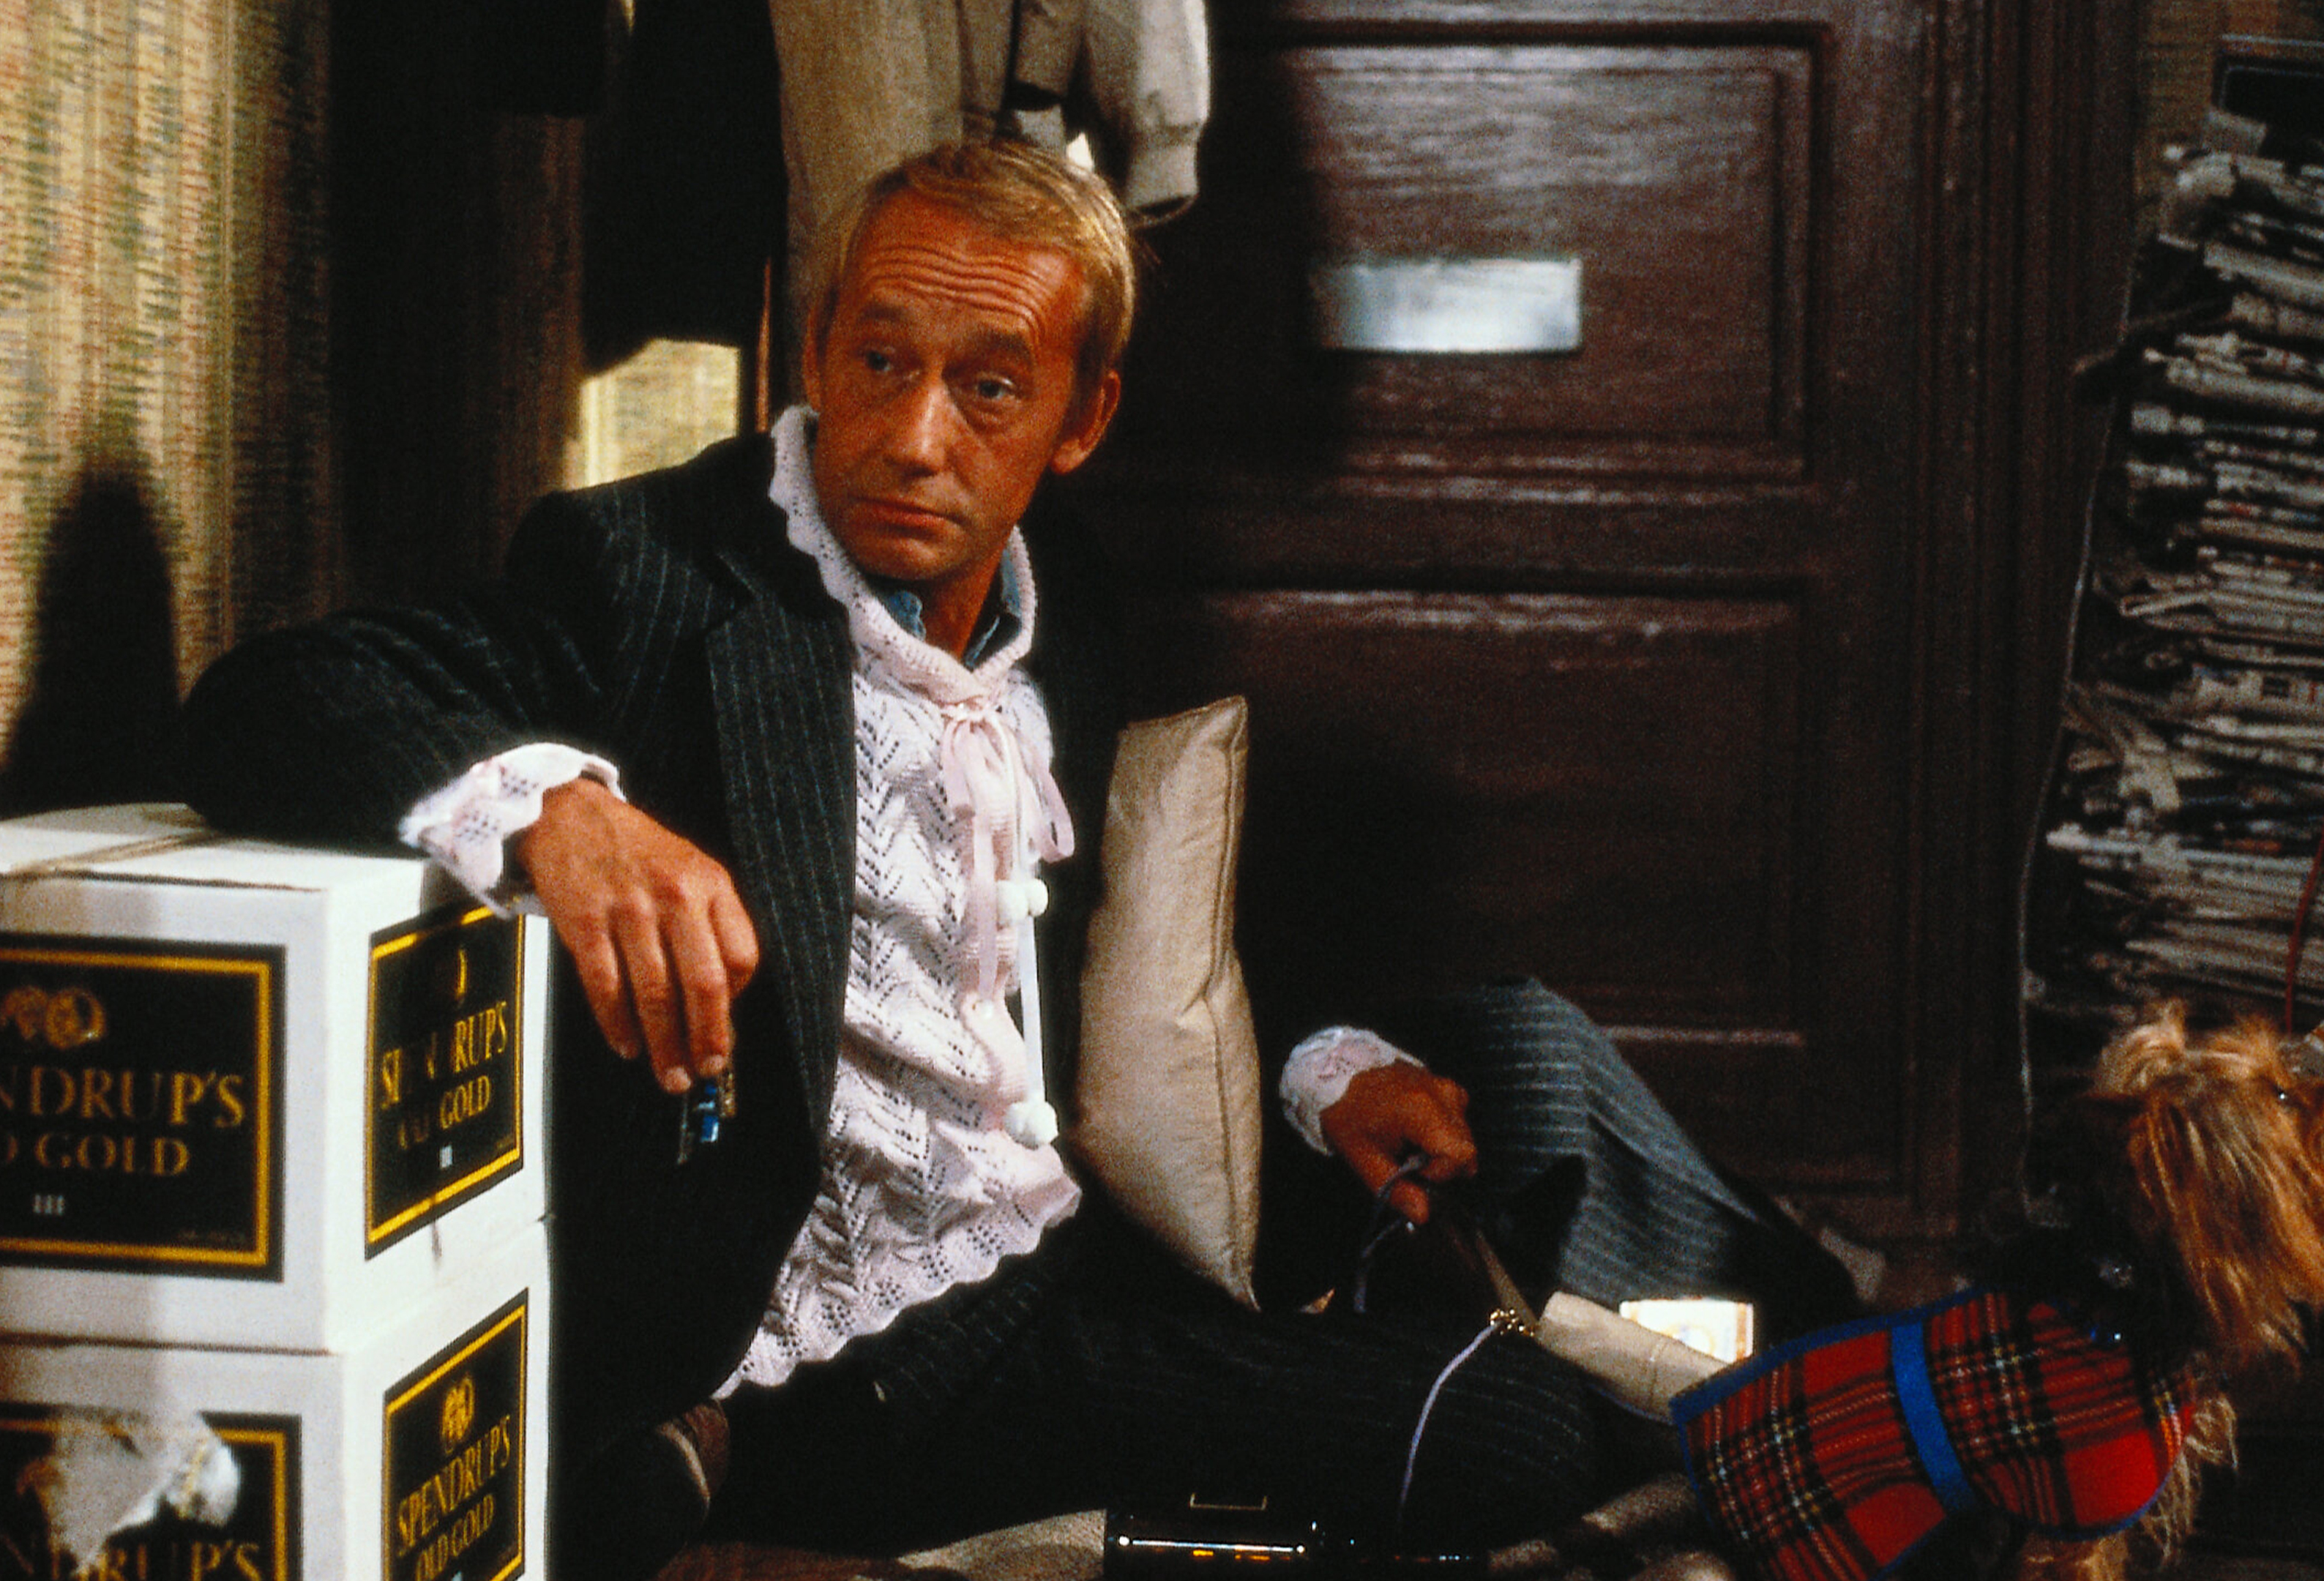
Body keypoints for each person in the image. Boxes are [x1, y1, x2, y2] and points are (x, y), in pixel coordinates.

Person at [181, 139, 1849, 1574]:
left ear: (1080, 417)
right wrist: (563, 811)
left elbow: (1107, 932)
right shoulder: (655, 570)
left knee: (1522, 1061)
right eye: (879, 360)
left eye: (988, 388)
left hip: (1063, 1240)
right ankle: (1822, 1419)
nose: (916, 439)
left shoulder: (1068, 612)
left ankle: (1847, 1363)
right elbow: (273, 696)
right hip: (849, 1353)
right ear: (815, 348)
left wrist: (1319, 1069)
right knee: (1518, 1437)